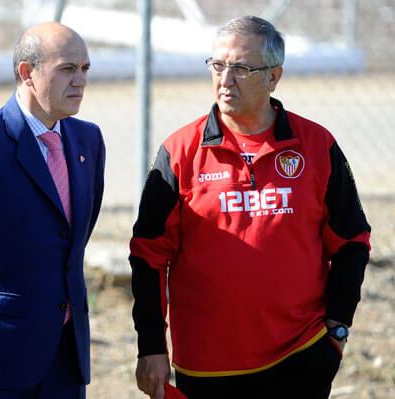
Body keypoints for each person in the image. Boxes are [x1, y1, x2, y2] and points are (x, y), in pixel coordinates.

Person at [130, 15, 371, 399]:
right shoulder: (180, 151)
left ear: (274, 76)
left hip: (302, 354)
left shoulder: (316, 145)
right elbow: (147, 255)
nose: (225, 79)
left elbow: (352, 243)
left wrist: (337, 332)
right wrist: (151, 346)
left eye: (241, 68)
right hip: (206, 364)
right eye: (218, 65)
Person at [0, 21, 105, 399]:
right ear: (27, 73)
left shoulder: (88, 140)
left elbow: (73, 237)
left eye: (85, 69)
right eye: (67, 69)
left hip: (65, 356)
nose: (81, 81)